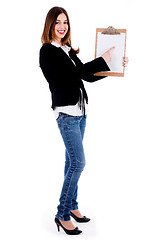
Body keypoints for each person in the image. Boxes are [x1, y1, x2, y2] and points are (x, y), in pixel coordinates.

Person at [39, 6, 128, 235]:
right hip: (67, 114)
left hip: (80, 114)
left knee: (71, 163)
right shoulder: (48, 51)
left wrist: (113, 66)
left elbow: (86, 76)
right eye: (57, 22)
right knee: (79, 163)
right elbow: (67, 77)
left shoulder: (67, 49)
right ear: (50, 24)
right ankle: (62, 213)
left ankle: (73, 206)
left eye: (65, 22)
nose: (62, 27)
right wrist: (101, 60)